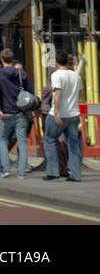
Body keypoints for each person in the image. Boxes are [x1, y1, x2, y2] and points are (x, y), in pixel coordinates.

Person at [0, 48, 35, 179]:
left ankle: (6, 169)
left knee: (3, 139)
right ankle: (22, 172)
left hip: (6, 112)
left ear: (2, 60)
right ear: (13, 59)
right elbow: (30, 93)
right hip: (21, 112)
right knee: (22, 142)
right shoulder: (21, 74)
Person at [43, 51, 82, 182]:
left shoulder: (56, 75)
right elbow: (80, 94)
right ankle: (76, 174)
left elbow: (57, 94)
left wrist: (56, 113)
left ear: (56, 62)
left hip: (60, 113)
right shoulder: (76, 76)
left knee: (50, 140)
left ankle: (53, 172)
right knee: (74, 144)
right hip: (74, 113)